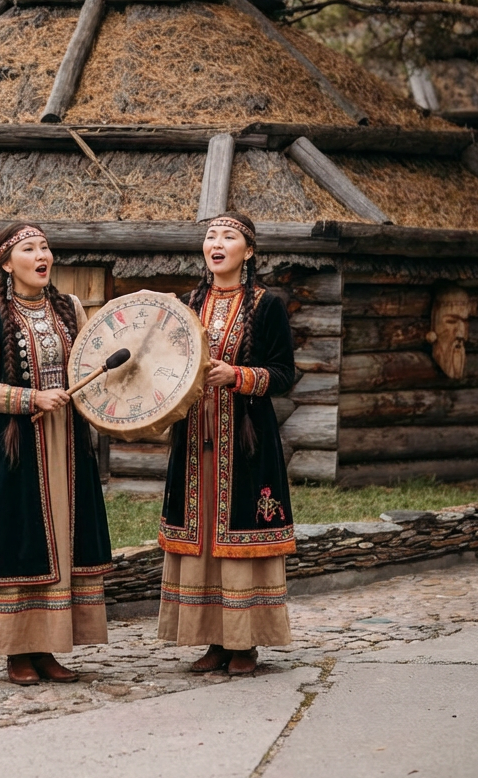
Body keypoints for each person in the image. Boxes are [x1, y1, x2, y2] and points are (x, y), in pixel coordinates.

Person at [0, 222, 112, 685]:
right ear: (8, 264)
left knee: (64, 540)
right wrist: (32, 399)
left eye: (45, 246)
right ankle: (16, 652)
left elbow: (95, 366)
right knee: (22, 539)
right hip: (18, 450)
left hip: (68, 445)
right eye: (29, 248)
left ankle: (49, 646)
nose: (41, 254)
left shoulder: (71, 309)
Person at [158, 211, 296, 675]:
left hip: (246, 442)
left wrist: (236, 375)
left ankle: (244, 643)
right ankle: (212, 640)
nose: (217, 242)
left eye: (229, 236)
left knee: (237, 535)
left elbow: (283, 375)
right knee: (202, 538)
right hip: (196, 438)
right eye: (210, 236)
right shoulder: (185, 304)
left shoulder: (267, 305)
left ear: (249, 251)